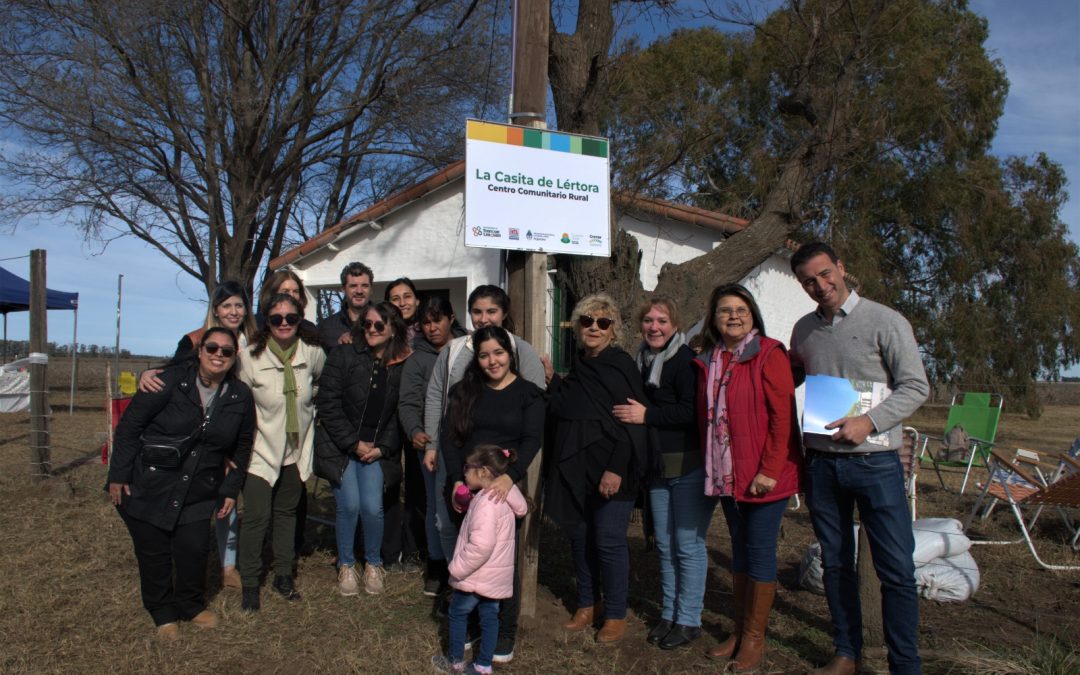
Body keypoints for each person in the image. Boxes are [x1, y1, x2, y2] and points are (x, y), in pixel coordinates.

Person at [789, 242, 929, 675]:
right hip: (822, 465)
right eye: (809, 281)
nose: (820, 285)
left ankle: (904, 665)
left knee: (897, 572)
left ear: (841, 268)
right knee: (835, 564)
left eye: (825, 274)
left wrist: (868, 422)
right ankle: (847, 653)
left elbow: (916, 387)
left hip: (876, 465)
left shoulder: (885, 321)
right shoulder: (803, 331)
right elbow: (788, 377)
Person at [423, 285, 546, 662]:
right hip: (467, 488)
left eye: (498, 354)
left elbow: (532, 437)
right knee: (467, 553)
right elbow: (450, 435)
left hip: (503, 491)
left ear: (510, 355)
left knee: (500, 561)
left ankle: (503, 635)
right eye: (484, 355)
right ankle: (471, 625)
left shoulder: (528, 393)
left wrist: (512, 475)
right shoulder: (466, 390)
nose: (492, 361)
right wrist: (459, 479)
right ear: (476, 359)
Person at [108, 327, 254, 640]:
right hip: (151, 482)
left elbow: (242, 446)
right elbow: (129, 428)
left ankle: (190, 604)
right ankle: (162, 612)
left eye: (226, 351)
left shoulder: (239, 396)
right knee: (154, 551)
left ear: (234, 356)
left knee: (193, 550)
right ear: (199, 351)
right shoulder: (168, 383)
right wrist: (118, 475)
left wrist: (230, 488)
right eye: (212, 348)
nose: (218, 355)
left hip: (201, 487)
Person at [692, 284, 802, 671]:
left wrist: (770, 470)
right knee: (739, 549)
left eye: (741, 309)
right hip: (727, 474)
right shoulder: (710, 358)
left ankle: (755, 639)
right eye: (725, 310)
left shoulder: (769, 353)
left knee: (759, 551)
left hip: (763, 474)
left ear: (753, 314)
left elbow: (783, 416)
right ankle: (739, 631)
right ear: (714, 318)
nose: (733, 316)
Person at [136, 280, 258, 590]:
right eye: (227, 305)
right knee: (199, 500)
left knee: (228, 501)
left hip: (239, 427)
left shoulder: (256, 341)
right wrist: (148, 373)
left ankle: (228, 566)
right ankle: (186, 560)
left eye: (239, 305)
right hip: (201, 433)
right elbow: (174, 373)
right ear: (215, 309)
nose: (233, 311)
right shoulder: (195, 340)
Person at [543, 293, 649, 644]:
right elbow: (570, 409)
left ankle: (616, 613)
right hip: (578, 469)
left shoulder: (621, 365)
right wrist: (553, 381)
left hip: (613, 469)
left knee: (607, 542)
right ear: (577, 327)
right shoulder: (579, 366)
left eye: (602, 322)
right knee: (579, 538)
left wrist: (615, 469)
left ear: (613, 330)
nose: (593, 327)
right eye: (586, 321)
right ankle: (588, 603)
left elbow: (633, 423)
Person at [612, 296, 716, 650]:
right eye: (649, 321)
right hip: (657, 468)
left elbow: (691, 412)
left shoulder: (685, 362)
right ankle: (670, 613)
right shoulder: (642, 361)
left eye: (662, 321)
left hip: (688, 466)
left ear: (675, 326)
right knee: (666, 547)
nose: (654, 327)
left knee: (688, 546)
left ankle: (690, 619)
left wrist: (649, 416)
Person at [236, 293, 326, 611]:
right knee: (257, 517)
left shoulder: (312, 353)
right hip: (260, 449)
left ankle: (283, 575)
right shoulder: (250, 357)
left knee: (287, 513)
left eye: (290, 318)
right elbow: (238, 401)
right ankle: (250, 583)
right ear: (267, 322)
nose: (284, 323)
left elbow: (317, 386)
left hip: (295, 447)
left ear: (300, 319)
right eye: (276, 318)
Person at [315, 302, 410, 596]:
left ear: (392, 328)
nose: (371, 330)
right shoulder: (344, 355)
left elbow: (399, 413)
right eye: (366, 324)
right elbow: (328, 405)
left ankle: (372, 563)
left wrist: (382, 449)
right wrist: (353, 444)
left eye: (379, 325)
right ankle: (345, 563)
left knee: (372, 507)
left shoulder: (400, 364)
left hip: (375, 450)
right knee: (350, 505)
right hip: (341, 446)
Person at [431, 445, 528, 675]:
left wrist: (456, 568)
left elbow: (481, 547)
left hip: (476, 576)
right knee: (490, 617)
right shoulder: (504, 494)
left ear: (484, 472)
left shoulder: (486, 503)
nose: (464, 473)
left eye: (468, 468)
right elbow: (522, 508)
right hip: (494, 578)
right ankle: (483, 665)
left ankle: (454, 661)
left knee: (457, 612)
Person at [398, 296, 467, 595]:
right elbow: (409, 400)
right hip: (431, 446)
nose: (431, 327)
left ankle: (465, 564)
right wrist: (416, 430)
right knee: (435, 506)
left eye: (437, 319)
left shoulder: (468, 348)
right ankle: (437, 567)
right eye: (425, 322)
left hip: (465, 444)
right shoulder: (417, 358)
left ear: (451, 318)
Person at [381, 277, 424, 573]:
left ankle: (413, 548)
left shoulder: (428, 332)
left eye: (407, 296)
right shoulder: (382, 332)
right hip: (387, 420)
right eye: (395, 298)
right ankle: (389, 549)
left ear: (417, 300)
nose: (402, 302)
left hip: (418, 419)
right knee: (389, 482)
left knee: (418, 485)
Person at [318, 262, 374, 350]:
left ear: (371, 289)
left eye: (365, 286)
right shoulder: (325, 328)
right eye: (353, 286)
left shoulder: (385, 323)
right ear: (343, 289)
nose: (359, 291)